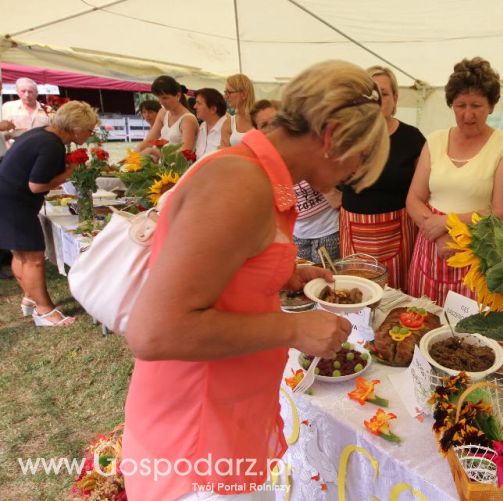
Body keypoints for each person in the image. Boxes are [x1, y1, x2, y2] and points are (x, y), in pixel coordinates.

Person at [122, 60, 389, 500]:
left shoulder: (255, 176)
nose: (356, 172)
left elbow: (226, 271)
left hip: (225, 418)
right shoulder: (241, 182)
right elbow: (155, 332)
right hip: (195, 438)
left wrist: (286, 274)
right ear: (331, 134)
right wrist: (294, 328)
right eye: (361, 156)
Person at [406, 57, 503, 305]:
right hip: (430, 245)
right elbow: (414, 199)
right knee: (419, 321)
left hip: (477, 249)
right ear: (451, 105)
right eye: (460, 105)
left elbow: (500, 212)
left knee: (467, 333)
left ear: (491, 106)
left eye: (477, 105)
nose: (468, 114)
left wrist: (449, 223)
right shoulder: (435, 140)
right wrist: (437, 234)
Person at [0, 101, 100, 326]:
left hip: (6, 197)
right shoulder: (51, 144)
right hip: (15, 203)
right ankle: (44, 311)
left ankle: (30, 299)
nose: (90, 134)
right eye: (89, 129)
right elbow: (36, 185)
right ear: (75, 128)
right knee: (34, 258)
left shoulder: (42, 134)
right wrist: (68, 172)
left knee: (21, 253)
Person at [340, 65, 426, 290]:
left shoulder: (412, 138)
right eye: (371, 95)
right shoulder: (347, 136)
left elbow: (426, 189)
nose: (377, 100)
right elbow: (322, 171)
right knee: (356, 294)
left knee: (397, 298)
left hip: (399, 231)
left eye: (384, 94)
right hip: (353, 230)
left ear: (395, 98)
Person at [135, 75, 198, 154]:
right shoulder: (162, 112)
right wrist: (133, 156)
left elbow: (185, 152)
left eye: (165, 98)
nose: (161, 102)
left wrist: (155, 152)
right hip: (163, 163)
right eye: (159, 98)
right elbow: (149, 141)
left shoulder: (188, 120)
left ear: (178, 95)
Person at [2, 77, 51, 145]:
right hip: (14, 150)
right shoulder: (8, 107)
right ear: (17, 92)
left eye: (30, 91)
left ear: (37, 93)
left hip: (39, 149)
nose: (27, 95)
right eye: (23, 91)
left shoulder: (48, 109)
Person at [220, 73, 255, 147]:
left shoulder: (261, 119)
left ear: (244, 94)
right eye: (225, 92)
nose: (226, 96)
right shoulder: (229, 123)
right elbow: (223, 153)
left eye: (229, 92)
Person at [193, 88, 227, 159]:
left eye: (199, 103)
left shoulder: (228, 129)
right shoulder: (203, 126)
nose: (195, 106)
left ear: (213, 109)